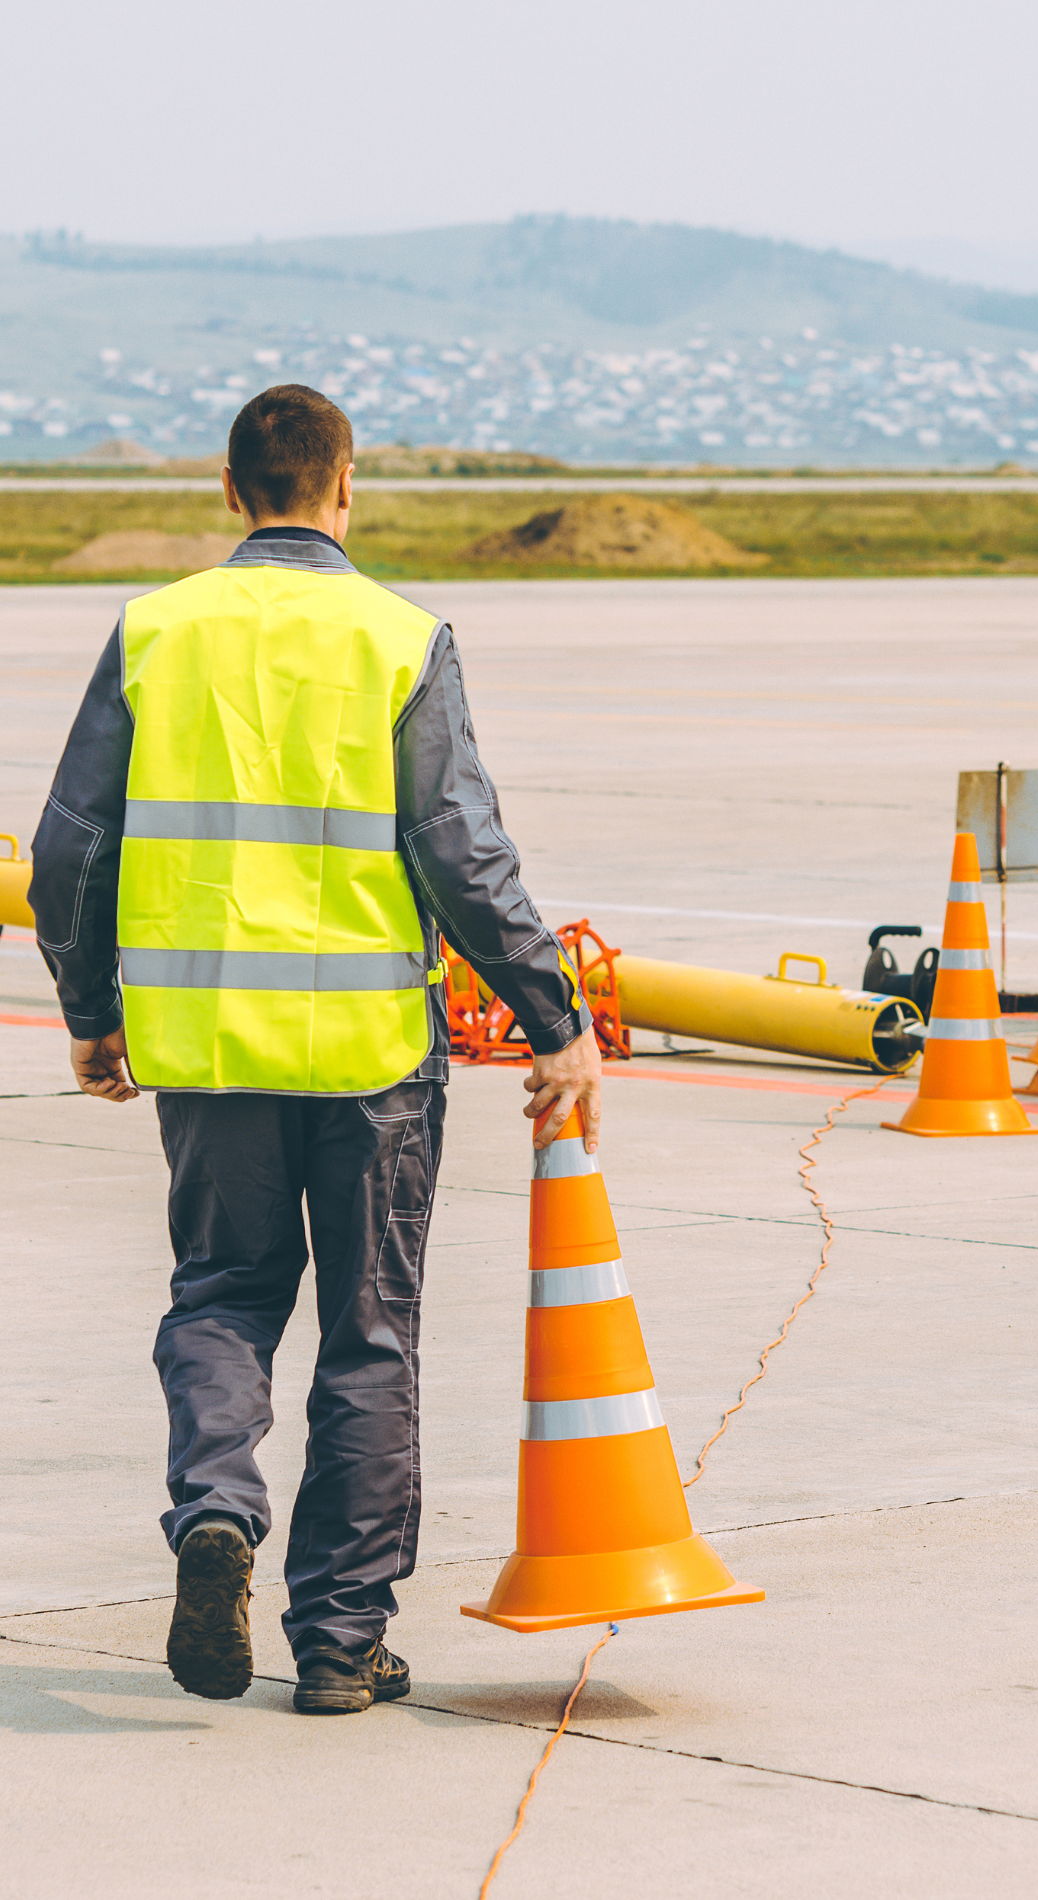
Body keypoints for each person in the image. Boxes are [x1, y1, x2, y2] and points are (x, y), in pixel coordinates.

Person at [29, 385, 601, 1716]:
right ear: (349, 488)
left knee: (222, 1295)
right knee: (371, 1337)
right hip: (368, 1055)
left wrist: (88, 1009)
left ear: (227, 491)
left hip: (210, 1044)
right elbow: (461, 851)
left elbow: (67, 850)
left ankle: (216, 1512)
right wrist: (552, 1015)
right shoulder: (400, 637)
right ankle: (342, 1642)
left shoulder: (155, 631)